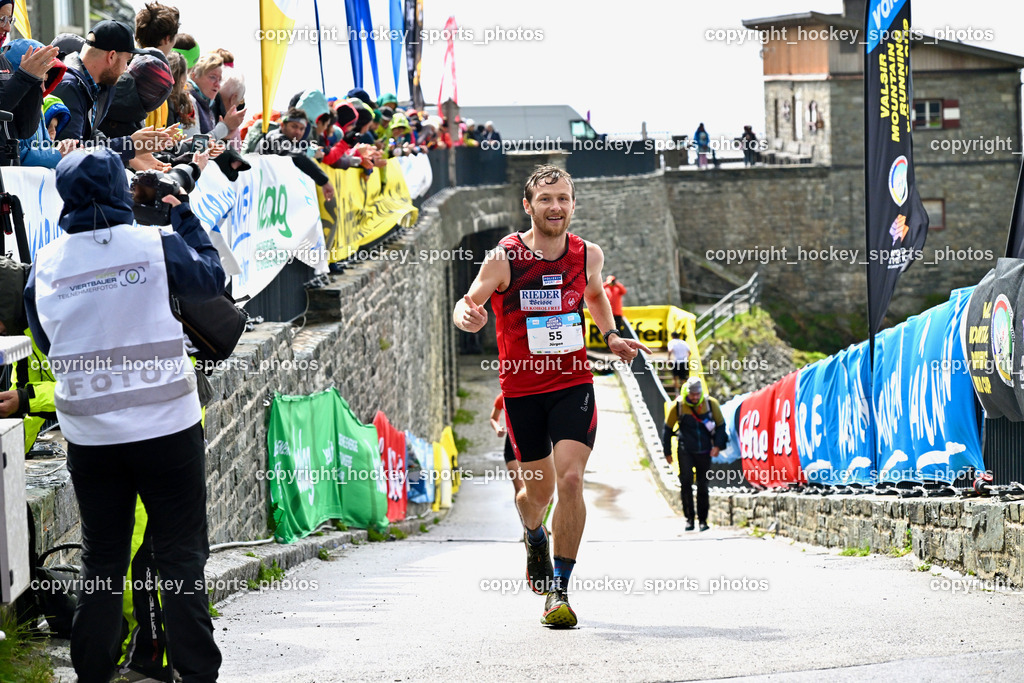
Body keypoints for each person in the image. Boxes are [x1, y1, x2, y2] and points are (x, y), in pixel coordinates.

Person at [24, 147, 225, 682]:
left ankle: (93, 674)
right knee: (180, 558)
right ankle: (196, 674)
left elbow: (44, 341)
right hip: (168, 428)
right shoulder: (156, 243)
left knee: (102, 561)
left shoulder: (45, 264)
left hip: (91, 437)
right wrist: (181, 211)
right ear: (122, 189)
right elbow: (210, 280)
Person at [453, 165, 649, 628]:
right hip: (522, 390)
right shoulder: (505, 257)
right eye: (545, 199)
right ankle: (533, 535)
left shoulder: (587, 255)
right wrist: (467, 316)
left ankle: (558, 590)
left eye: (563, 198)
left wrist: (611, 335)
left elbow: (595, 296)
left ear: (573, 204)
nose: (555, 206)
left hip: (572, 383)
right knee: (534, 495)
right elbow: (469, 300)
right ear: (528, 206)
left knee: (572, 480)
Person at [53, 20, 171, 170]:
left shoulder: (100, 85)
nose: (126, 68)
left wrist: (132, 153)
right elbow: (72, 156)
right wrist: (129, 146)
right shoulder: (68, 86)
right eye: (127, 60)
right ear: (112, 56)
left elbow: (89, 133)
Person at [662, 376, 726, 532]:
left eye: (697, 394)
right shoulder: (678, 406)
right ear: (687, 393)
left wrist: (718, 446)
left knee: (703, 485)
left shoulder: (711, 404)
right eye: (692, 394)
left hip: (704, 450)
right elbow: (667, 430)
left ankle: (703, 520)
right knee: (686, 483)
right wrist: (667, 452)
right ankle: (689, 519)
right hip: (685, 450)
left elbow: (721, 426)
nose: (695, 397)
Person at [0, 0, 59, 160]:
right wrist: (25, 77)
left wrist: (35, 81)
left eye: (10, 20)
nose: (8, 28)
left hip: (10, 170)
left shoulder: (3, 61)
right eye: (2, 19)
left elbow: (25, 129)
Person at [256, 107, 335, 201]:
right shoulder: (276, 139)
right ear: (282, 125)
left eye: (302, 129)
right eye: (294, 126)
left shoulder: (291, 142)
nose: (298, 132)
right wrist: (324, 181)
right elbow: (297, 155)